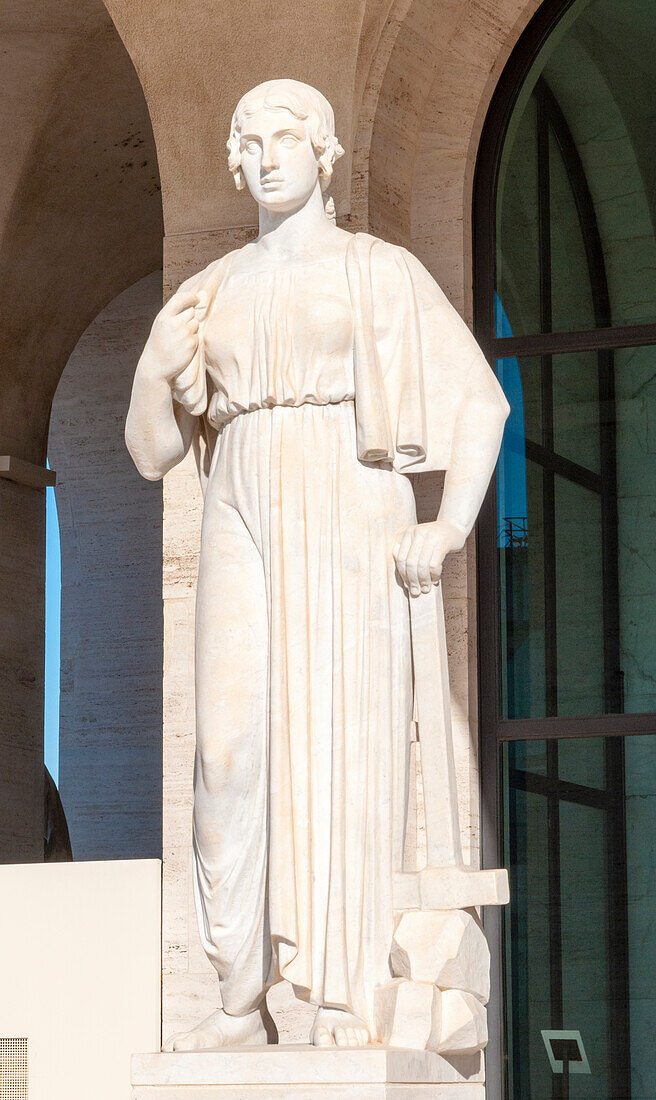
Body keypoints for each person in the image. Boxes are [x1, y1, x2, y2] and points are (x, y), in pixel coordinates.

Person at [126, 78, 508, 1052]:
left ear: (324, 152)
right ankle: (237, 991)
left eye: (284, 135)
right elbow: (148, 450)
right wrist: (151, 370)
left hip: (345, 495)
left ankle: (348, 994)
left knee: (345, 740)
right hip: (237, 502)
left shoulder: (377, 271)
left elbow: (479, 403)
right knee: (225, 751)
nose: (263, 154)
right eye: (246, 138)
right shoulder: (206, 293)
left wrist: (447, 524)